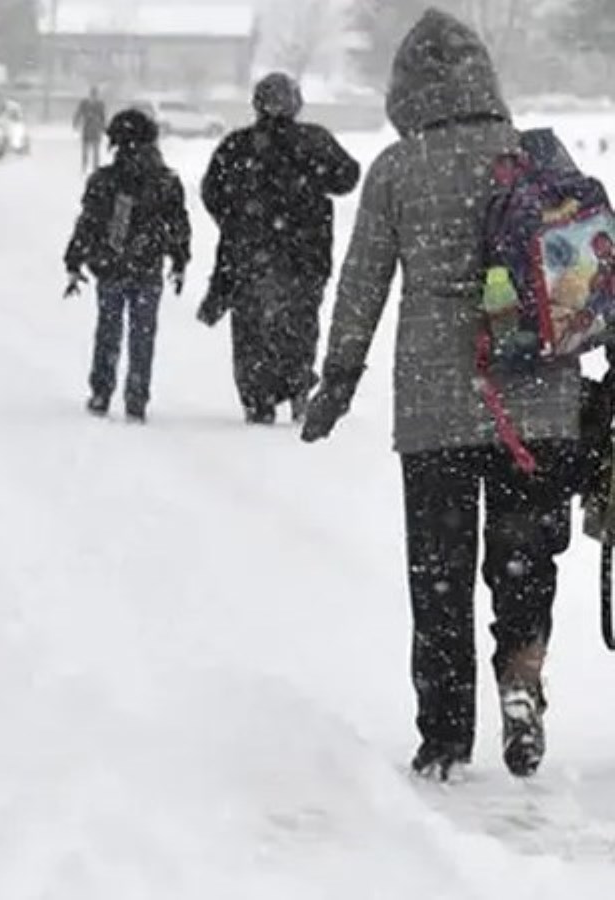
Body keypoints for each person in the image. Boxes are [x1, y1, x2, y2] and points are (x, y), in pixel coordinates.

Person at [301, 10, 582, 781]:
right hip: (542, 402)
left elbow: (361, 284)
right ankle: (522, 679)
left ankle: (445, 737)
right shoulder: (533, 159)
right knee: (524, 560)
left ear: (405, 89)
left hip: (437, 410)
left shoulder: (398, 168)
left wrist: (338, 379)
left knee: (441, 575)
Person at [199, 72, 360, 425]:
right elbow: (347, 177)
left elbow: (211, 192)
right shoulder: (314, 141)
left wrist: (236, 220)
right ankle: (298, 382)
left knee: (251, 329)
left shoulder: (237, 146)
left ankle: (258, 398)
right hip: (307, 254)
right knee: (300, 323)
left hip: (249, 255)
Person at [64, 108, 191, 422]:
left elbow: (88, 223)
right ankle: (137, 396)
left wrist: (75, 259)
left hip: (111, 266)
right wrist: (179, 259)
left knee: (108, 329)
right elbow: (178, 224)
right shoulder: (166, 181)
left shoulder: (105, 180)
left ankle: (101, 391)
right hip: (148, 268)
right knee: (143, 333)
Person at [73, 86, 109, 173]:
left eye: (95, 94)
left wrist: (104, 127)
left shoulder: (100, 104)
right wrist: (76, 122)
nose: (94, 96)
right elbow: (78, 113)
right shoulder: (84, 103)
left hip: (96, 130)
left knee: (96, 151)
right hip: (87, 129)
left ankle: (95, 167)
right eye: (93, 94)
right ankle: (84, 166)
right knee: (85, 150)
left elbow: (103, 117)